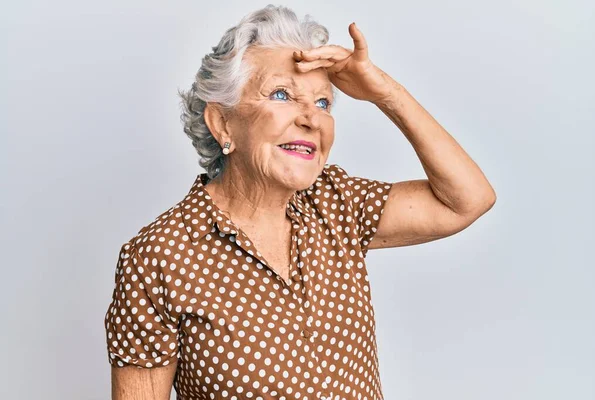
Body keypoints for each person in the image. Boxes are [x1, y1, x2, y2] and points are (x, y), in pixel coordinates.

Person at [104, 4, 496, 400]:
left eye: (324, 103)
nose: (312, 118)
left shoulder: (336, 202)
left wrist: (385, 93)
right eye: (281, 95)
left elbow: (466, 200)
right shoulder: (159, 257)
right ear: (223, 124)